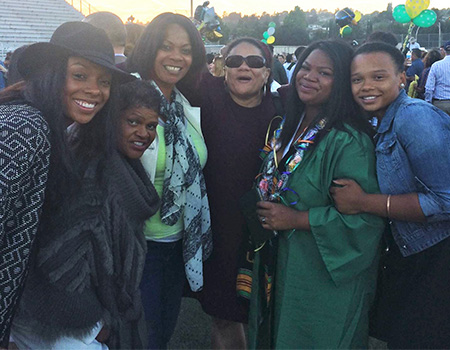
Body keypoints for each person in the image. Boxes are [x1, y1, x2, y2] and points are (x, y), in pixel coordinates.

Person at [7, 21, 161, 350]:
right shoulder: (27, 126)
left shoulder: (56, 130)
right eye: (79, 75)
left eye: (104, 81)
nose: (94, 90)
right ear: (51, 73)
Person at [248, 40, 385, 349]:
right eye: (306, 67)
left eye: (325, 72)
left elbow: (365, 222)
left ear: (342, 83)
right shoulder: (289, 125)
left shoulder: (349, 142)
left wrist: (297, 219)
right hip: (279, 261)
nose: (309, 77)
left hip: (320, 279)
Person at [332, 41, 450, 349]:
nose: (366, 86)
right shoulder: (379, 120)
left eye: (379, 77)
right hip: (407, 251)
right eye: (357, 79)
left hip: (436, 257)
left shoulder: (414, 118)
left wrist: (363, 202)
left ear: (402, 77)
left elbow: (446, 200)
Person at [127, 12, 212, 349]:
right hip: (136, 246)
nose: (177, 57)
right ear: (150, 48)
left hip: (177, 243)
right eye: (166, 47)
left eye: (186, 50)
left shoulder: (182, 104)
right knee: (138, 340)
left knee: (160, 336)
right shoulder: (127, 97)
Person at [194, 37, 279, 349]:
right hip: (216, 229)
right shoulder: (206, 96)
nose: (244, 66)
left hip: (265, 231)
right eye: (235, 61)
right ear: (223, 68)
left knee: (263, 313)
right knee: (224, 314)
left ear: (267, 72)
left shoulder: (283, 109)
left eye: (255, 62)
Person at [425, 40, 450, 115]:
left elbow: (429, 88)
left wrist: (428, 103)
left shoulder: (436, 66)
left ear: (444, 51)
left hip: (440, 104)